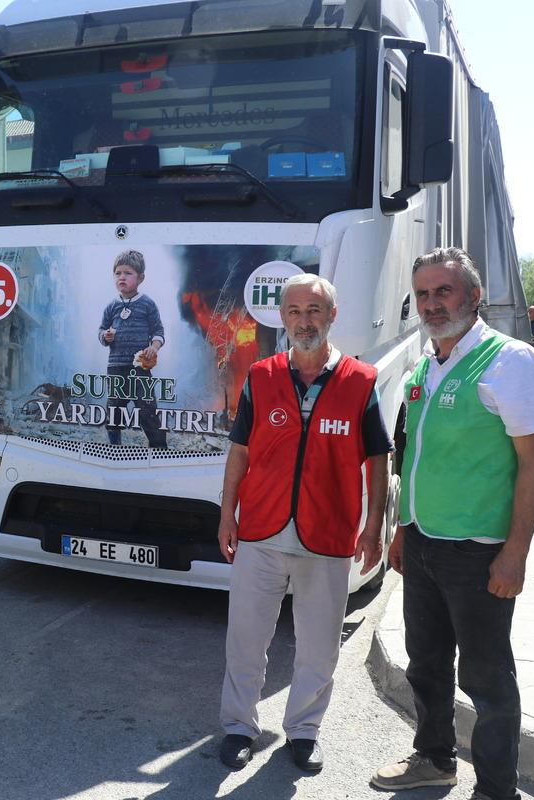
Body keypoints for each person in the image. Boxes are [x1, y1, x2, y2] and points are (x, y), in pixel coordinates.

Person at [373, 247, 534, 800]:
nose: (431, 304)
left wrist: (515, 553)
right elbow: (414, 456)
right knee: (425, 663)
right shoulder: (428, 363)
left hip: (479, 552)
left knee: (487, 679)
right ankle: (434, 759)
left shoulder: (510, 361)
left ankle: (496, 789)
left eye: (443, 291)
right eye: (423, 294)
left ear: (473, 298)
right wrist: (403, 529)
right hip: (425, 542)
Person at [216, 273, 391, 773]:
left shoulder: (361, 381)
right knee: (245, 639)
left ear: (332, 317)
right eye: (294, 311)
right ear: (282, 318)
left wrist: (373, 526)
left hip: (328, 537)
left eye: (314, 310)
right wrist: (227, 513)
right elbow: (240, 451)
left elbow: (378, 458)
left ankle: (304, 731)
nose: (303, 320)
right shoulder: (262, 376)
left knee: (318, 646)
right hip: (261, 533)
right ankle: (238, 727)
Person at [98, 249, 168, 448]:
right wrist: (106, 336)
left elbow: (158, 331)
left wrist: (154, 347)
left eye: (128, 273)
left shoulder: (147, 304)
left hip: (140, 369)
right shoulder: (111, 307)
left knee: (147, 411)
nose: (122, 277)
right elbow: (101, 330)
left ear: (140, 278)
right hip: (116, 367)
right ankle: (114, 447)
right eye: (118, 273)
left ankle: (159, 450)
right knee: (114, 411)